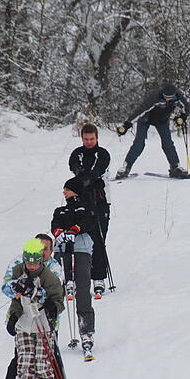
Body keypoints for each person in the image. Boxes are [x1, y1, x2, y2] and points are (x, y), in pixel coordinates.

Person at [0, 238, 65, 379]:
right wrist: (13, 316)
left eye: (35, 262)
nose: (31, 265)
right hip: (24, 324)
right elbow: (9, 290)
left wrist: (51, 307)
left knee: (44, 363)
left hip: (44, 325)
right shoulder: (18, 269)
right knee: (23, 362)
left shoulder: (52, 273)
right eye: (28, 262)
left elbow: (55, 297)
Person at [51, 177, 98, 360]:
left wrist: (74, 230)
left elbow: (89, 222)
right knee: (56, 289)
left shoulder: (86, 207)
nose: (64, 192)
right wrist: (60, 233)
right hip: (62, 249)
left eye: (67, 190)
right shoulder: (60, 210)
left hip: (81, 250)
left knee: (83, 289)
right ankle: (52, 328)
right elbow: (55, 223)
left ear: (75, 191)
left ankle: (86, 332)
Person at [115, 81, 190, 179]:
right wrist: (127, 124)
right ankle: (126, 167)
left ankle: (175, 167)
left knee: (167, 143)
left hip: (162, 120)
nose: (168, 99)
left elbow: (186, 106)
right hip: (145, 119)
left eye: (170, 97)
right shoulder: (155, 97)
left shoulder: (178, 96)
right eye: (165, 97)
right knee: (139, 143)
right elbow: (141, 110)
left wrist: (183, 116)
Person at [69, 123, 111, 296]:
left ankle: (99, 277)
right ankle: (79, 276)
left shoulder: (103, 153)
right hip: (80, 201)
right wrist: (81, 176)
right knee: (80, 239)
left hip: (101, 201)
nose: (89, 142)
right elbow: (74, 167)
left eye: (92, 139)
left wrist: (89, 178)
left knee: (99, 239)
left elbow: (98, 169)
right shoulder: (77, 153)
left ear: (97, 138)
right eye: (86, 139)